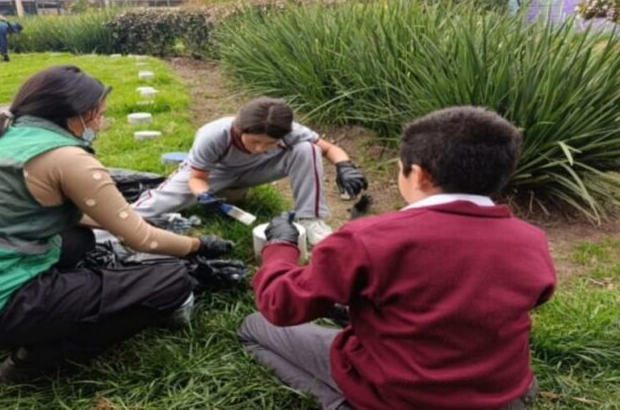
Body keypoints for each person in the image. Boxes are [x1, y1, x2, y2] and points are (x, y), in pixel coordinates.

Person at [0, 65, 234, 385]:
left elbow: (82, 218)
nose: (101, 124)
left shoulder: (0, 141)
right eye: (99, 116)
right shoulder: (66, 157)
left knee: (79, 240)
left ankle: (42, 311)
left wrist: (123, 218)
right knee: (167, 279)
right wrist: (197, 246)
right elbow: (142, 240)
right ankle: (32, 366)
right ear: (78, 116)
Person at [238, 106, 557, 410]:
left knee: (254, 327)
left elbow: (280, 304)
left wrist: (280, 246)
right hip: (501, 391)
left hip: (402, 394)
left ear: (418, 175)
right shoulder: (532, 240)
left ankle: (347, 402)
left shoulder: (369, 238)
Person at [133, 97, 368, 245]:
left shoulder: (290, 131)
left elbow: (328, 148)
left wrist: (344, 166)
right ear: (239, 128)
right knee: (159, 204)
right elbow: (197, 177)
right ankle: (117, 224)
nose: (259, 148)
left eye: (269, 143)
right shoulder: (214, 134)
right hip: (216, 172)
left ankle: (311, 219)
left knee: (307, 150)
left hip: (259, 171)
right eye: (254, 141)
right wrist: (204, 196)